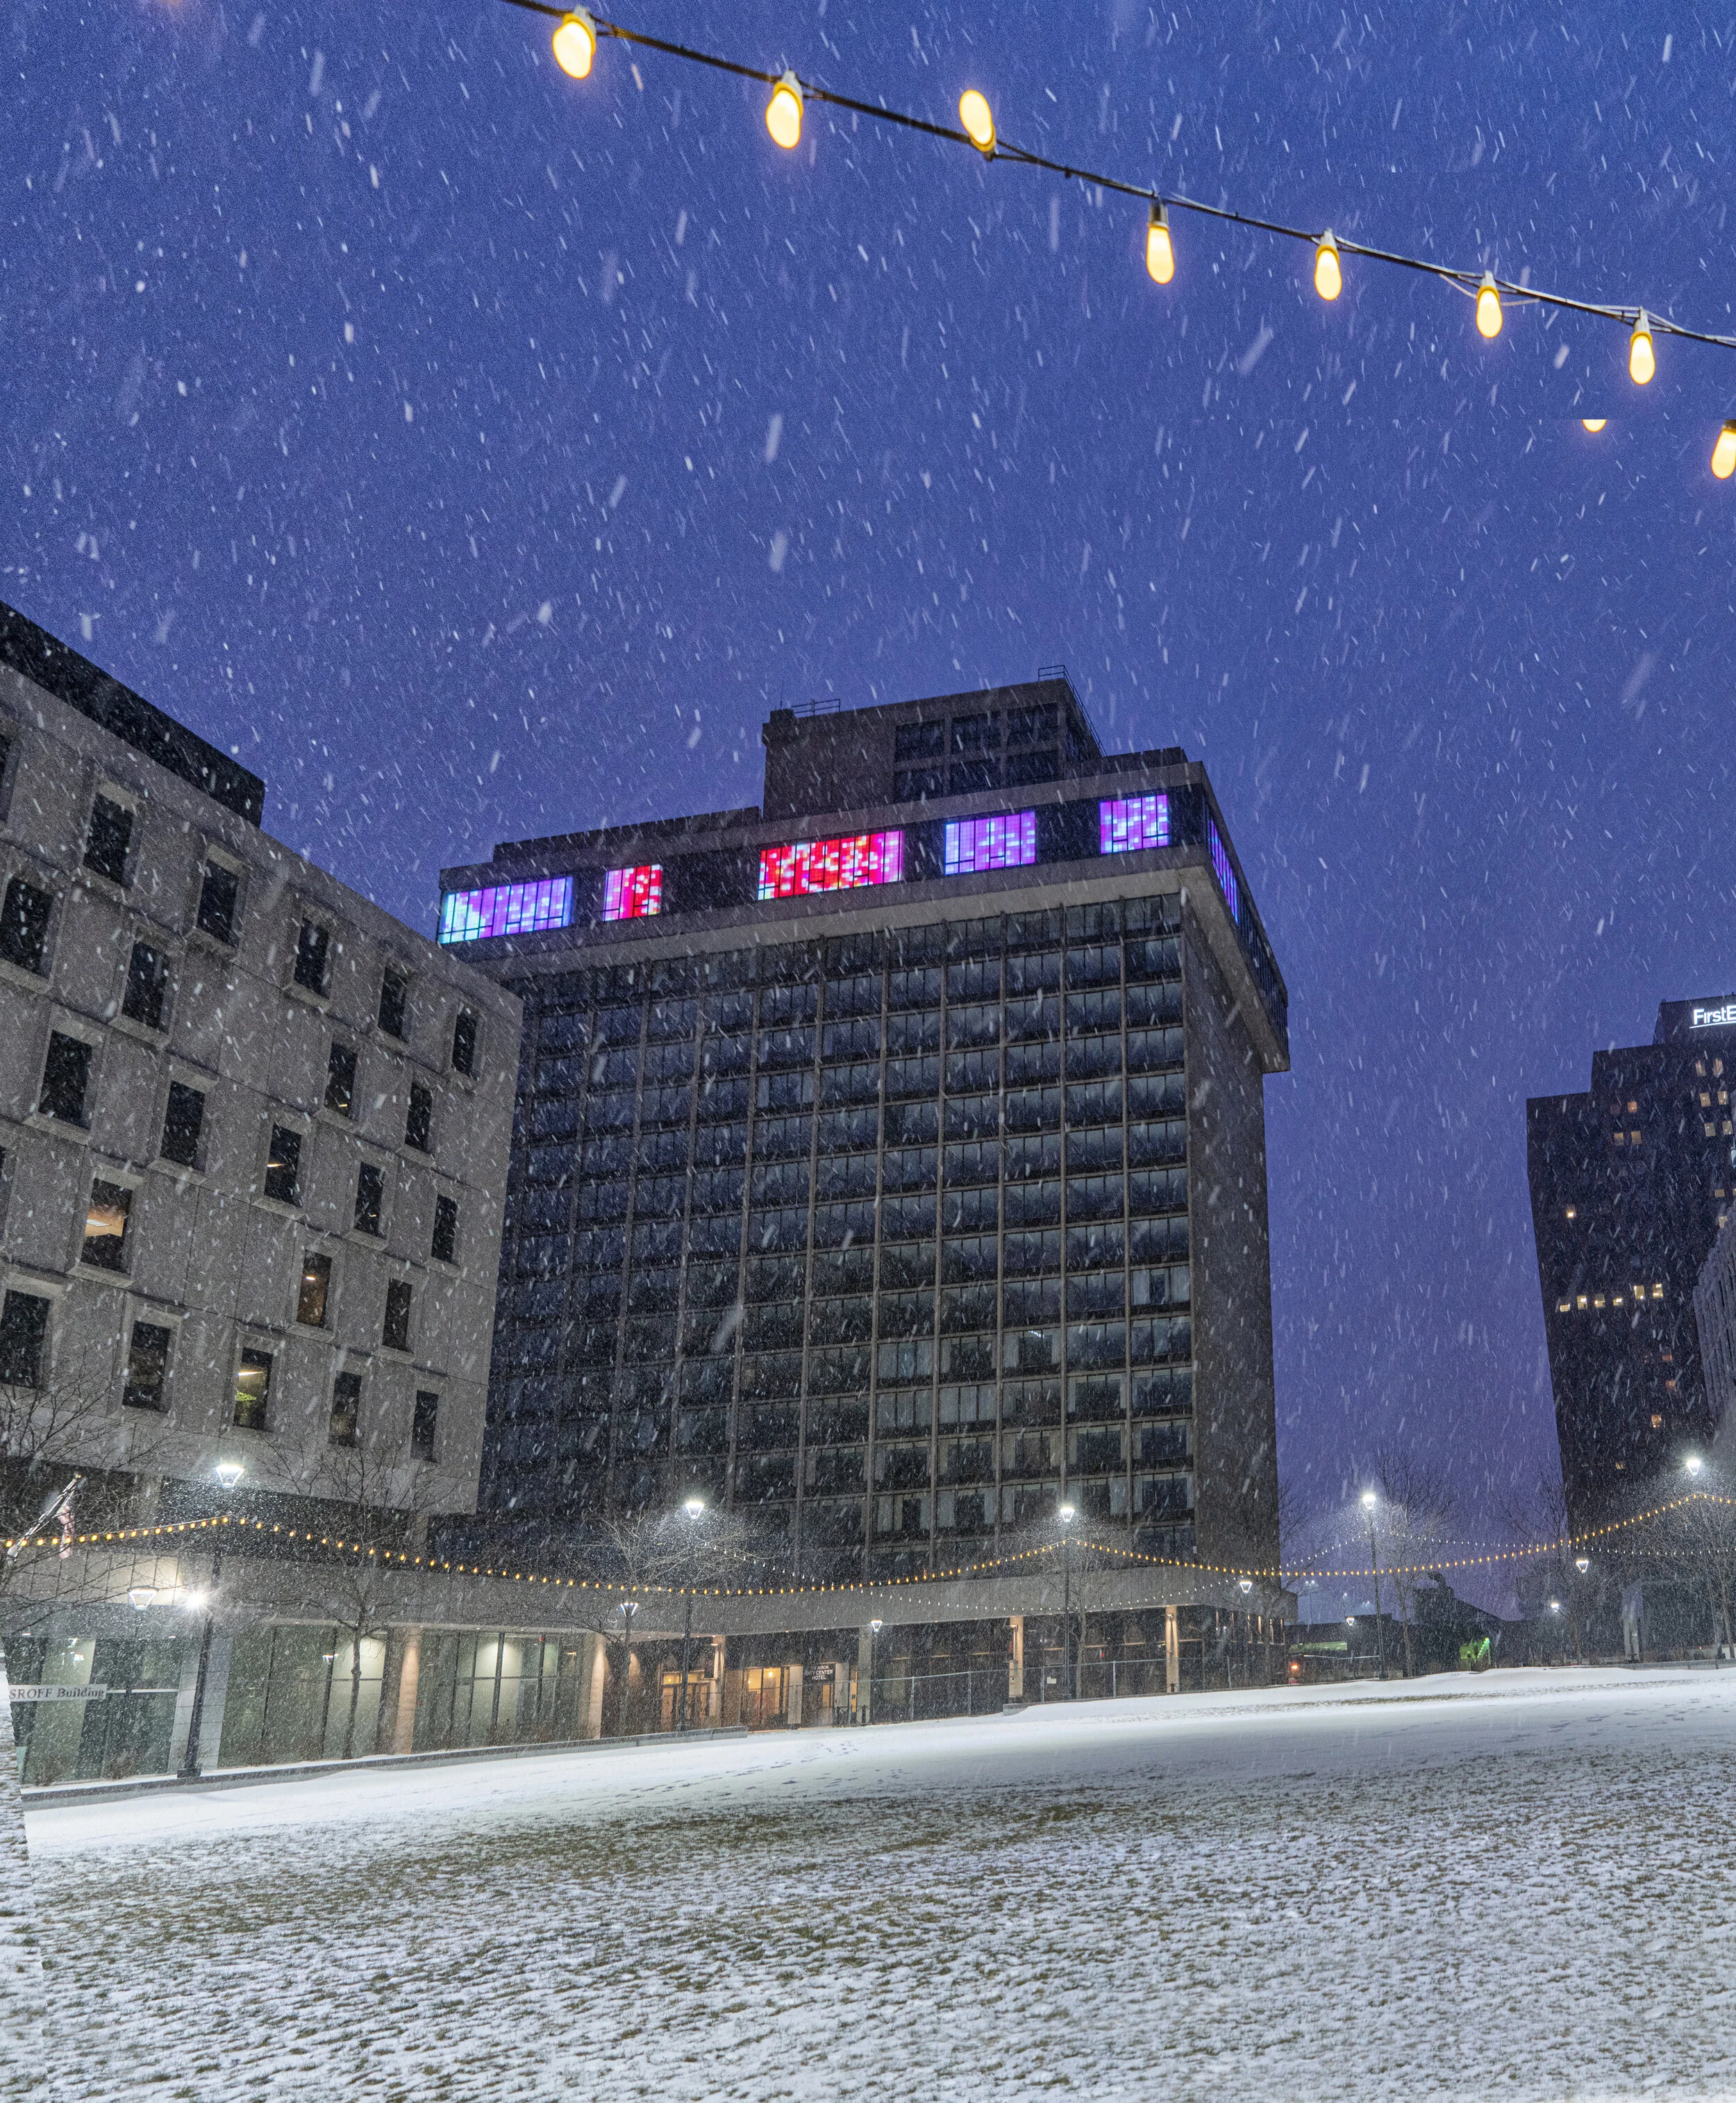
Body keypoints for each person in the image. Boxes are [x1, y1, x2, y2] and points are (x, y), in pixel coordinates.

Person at [1621, 1582, 1644, 1663]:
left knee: (1631, 1636)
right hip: (1630, 1617)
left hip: (1630, 1616)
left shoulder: (1633, 1590)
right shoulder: (1635, 1590)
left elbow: (1628, 1604)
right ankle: (1633, 1655)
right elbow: (1637, 1603)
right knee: (1633, 1636)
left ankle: (1631, 1655)